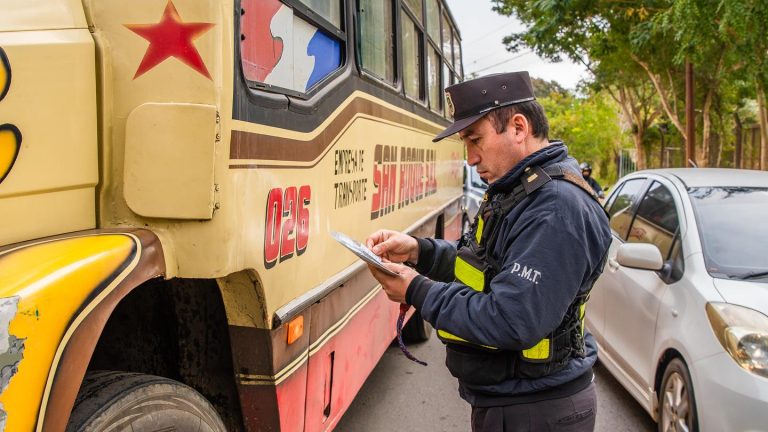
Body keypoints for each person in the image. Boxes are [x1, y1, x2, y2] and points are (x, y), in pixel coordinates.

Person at [364, 71, 611, 431]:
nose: (470, 158)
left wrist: (417, 289)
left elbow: (511, 319)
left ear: (519, 128)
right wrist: (420, 251)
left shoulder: (556, 208)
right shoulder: (521, 191)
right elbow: (485, 267)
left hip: (536, 412)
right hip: (517, 403)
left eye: (475, 140)